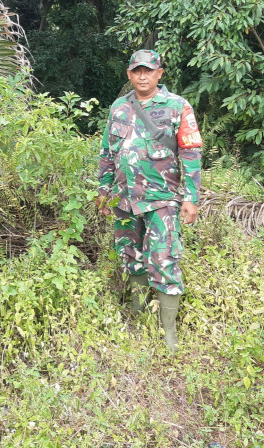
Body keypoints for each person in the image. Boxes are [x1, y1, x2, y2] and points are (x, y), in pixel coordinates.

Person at [96, 49, 202, 351]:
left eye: (148, 71)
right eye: (136, 71)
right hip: (124, 200)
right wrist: (104, 191)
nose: (142, 76)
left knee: (163, 259)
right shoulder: (119, 107)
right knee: (131, 257)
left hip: (162, 201)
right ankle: (139, 319)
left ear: (159, 73)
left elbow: (191, 153)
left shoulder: (176, 106)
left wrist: (191, 198)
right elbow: (107, 153)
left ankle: (169, 336)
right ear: (129, 74)